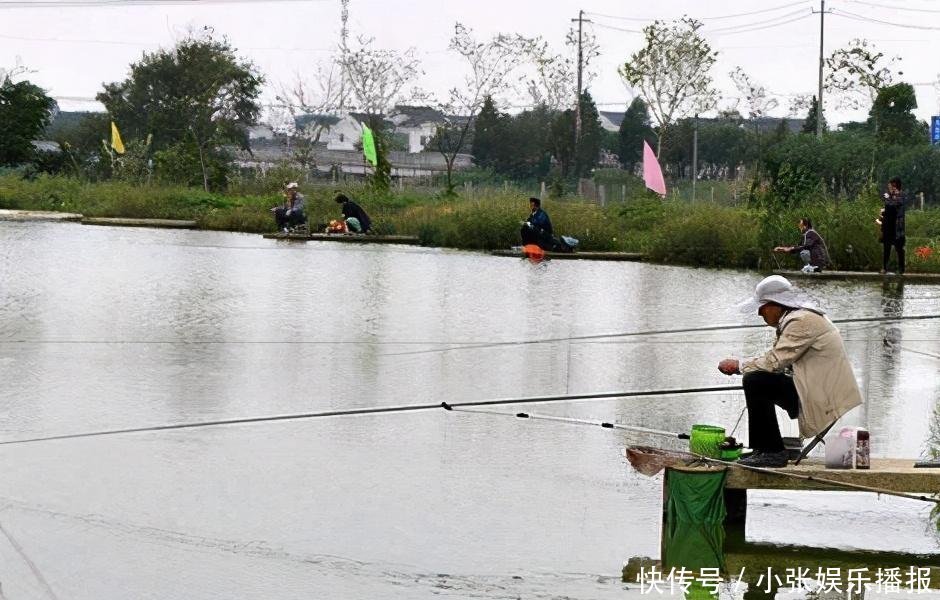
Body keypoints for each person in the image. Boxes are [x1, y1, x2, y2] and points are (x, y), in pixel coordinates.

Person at [717, 275, 862, 468]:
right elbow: (779, 361)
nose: (760, 315)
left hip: (822, 397)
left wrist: (739, 366)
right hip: (818, 390)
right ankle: (763, 449)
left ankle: (772, 452)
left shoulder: (801, 321)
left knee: (755, 381)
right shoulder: (799, 317)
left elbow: (774, 361)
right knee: (758, 379)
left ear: (775, 304)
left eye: (762, 309)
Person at [880, 177, 907, 275]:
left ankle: (901, 269)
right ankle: (884, 267)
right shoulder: (890, 195)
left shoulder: (902, 195)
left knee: (899, 248)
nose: (890, 188)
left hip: (897, 227)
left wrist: (889, 198)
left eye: (892, 186)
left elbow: (894, 204)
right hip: (888, 226)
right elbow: (886, 202)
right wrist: (889, 197)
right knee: (886, 247)